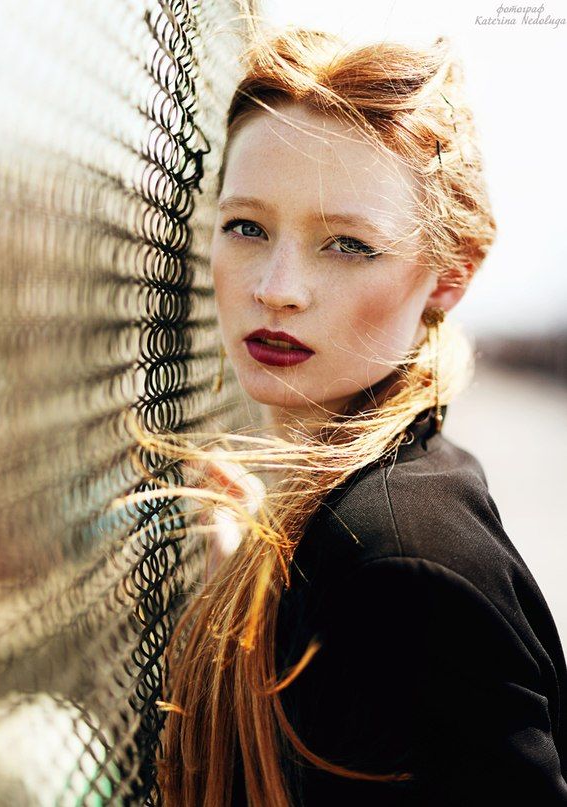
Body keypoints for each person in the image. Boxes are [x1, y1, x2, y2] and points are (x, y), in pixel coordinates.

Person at [120, 23, 567, 806]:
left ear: (447, 278)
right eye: (247, 226)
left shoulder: (395, 564)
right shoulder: (372, 512)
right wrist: (264, 597)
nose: (276, 288)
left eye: (348, 244)